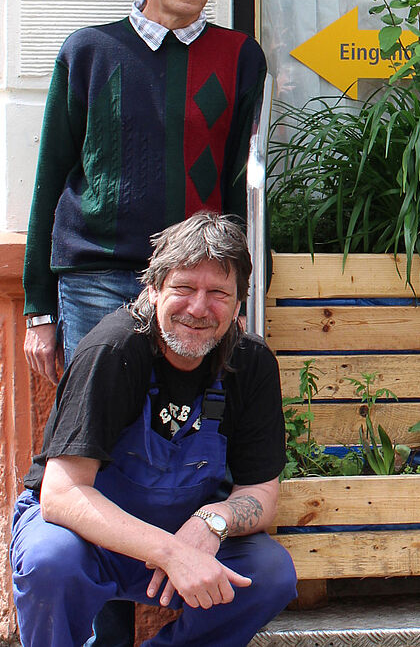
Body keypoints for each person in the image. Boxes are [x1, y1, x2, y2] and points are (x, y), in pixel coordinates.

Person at [9, 213, 297, 647]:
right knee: (51, 560)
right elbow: (62, 495)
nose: (199, 309)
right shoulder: (114, 349)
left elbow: (262, 492)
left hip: (184, 535)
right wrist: (169, 551)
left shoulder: (251, 364)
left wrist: (209, 522)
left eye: (218, 293)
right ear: (153, 288)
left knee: (270, 573)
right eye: (184, 288)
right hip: (90, 540)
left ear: (239, 305)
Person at [22, 0, 267, 381]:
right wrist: (39, 311)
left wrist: (240, 292)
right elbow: (49, 179)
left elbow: (243, 188)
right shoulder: (88, 51)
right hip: (96, 279)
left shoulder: (240, 56)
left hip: (195, 284)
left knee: (184, 426)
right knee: (96, 424)